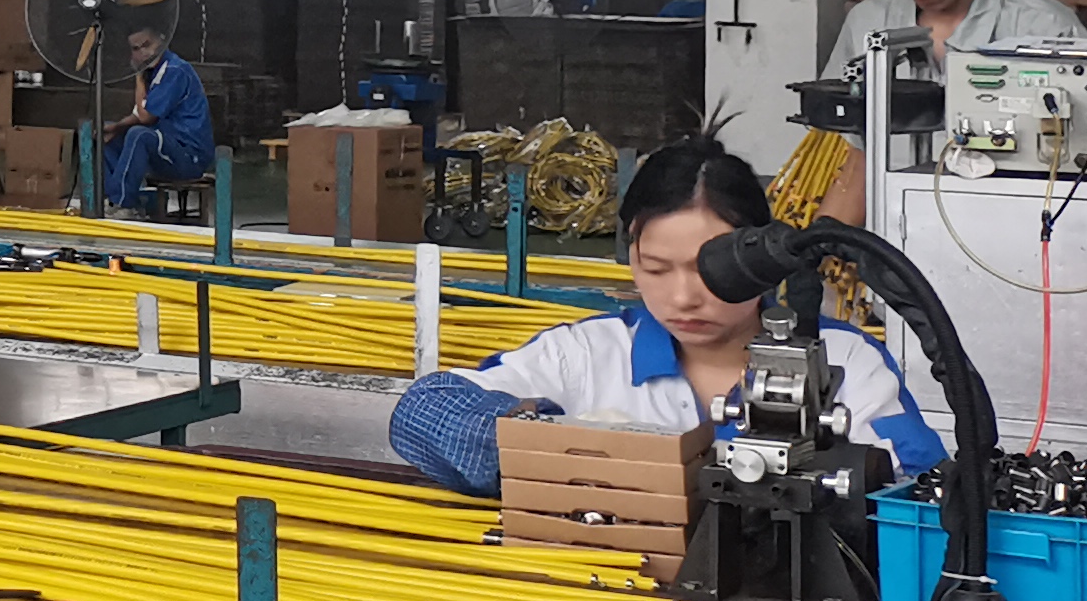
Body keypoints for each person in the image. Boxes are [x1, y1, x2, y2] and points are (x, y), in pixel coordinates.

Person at [386, 136, 947, 498]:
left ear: (761, 255)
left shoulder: (842, 360)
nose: (682, 297)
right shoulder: (588, 356)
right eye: (655, 268)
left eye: (709, 270)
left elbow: (917, 484)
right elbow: (425, 412)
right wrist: (564, 447)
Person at [812, 0, 1087, 229]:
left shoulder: (1045, 30)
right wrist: (822, 247)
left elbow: (1082, 173)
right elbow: (856, 160)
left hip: (1012, 238)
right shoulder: (869, 23)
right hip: (896, 239)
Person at [99, 28, 214, 210]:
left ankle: (122, 204)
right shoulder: (154, 73)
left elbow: (146, 117)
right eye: (136, 49)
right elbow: (138, 114)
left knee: (139, 135)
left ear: (161, 41)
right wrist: (115, 128)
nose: (143, 52)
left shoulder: (174, 70)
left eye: (147, 45)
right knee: (106, 137)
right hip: (166, 147)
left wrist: (138, 76)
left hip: (188, 155)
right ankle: (115, 198)